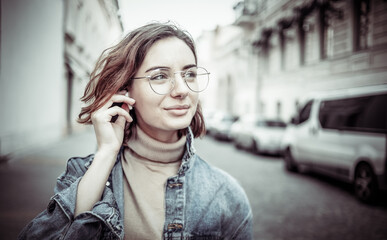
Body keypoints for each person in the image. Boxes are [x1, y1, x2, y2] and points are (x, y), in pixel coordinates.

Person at [18, 22, 253, 240]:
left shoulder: (225, 195)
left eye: (189, 74)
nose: (182, 89)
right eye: (160, 76)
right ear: (126, 90)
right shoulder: (83, 176)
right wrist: (106, 153)